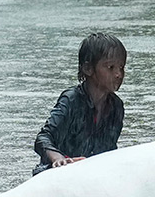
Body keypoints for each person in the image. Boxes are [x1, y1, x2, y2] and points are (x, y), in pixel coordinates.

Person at [33, 33, 127, 175]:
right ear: (88, 69)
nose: (118, 74)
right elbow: (43, 139)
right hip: (56, 173)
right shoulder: (71, 100)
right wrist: (58, 159)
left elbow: (109, 152)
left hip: (90, 175)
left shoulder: (116, 107)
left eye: (121, 67)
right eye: (110, 67)